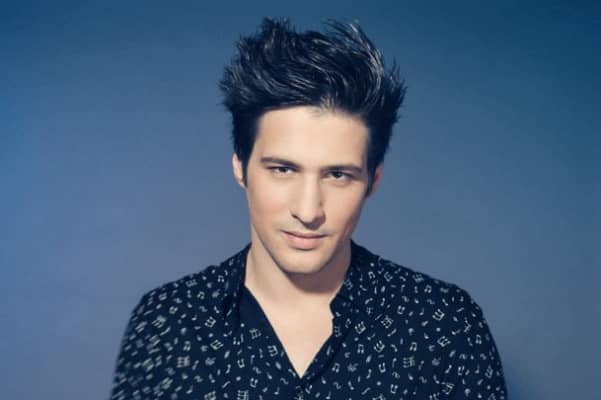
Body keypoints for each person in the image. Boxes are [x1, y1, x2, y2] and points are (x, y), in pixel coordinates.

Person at [109, 18, 507, 400]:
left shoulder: (444, 324)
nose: (308, 209)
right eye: (283, 170)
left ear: (373, 181)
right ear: (240, 168)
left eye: (337, 175)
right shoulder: (167, 321)